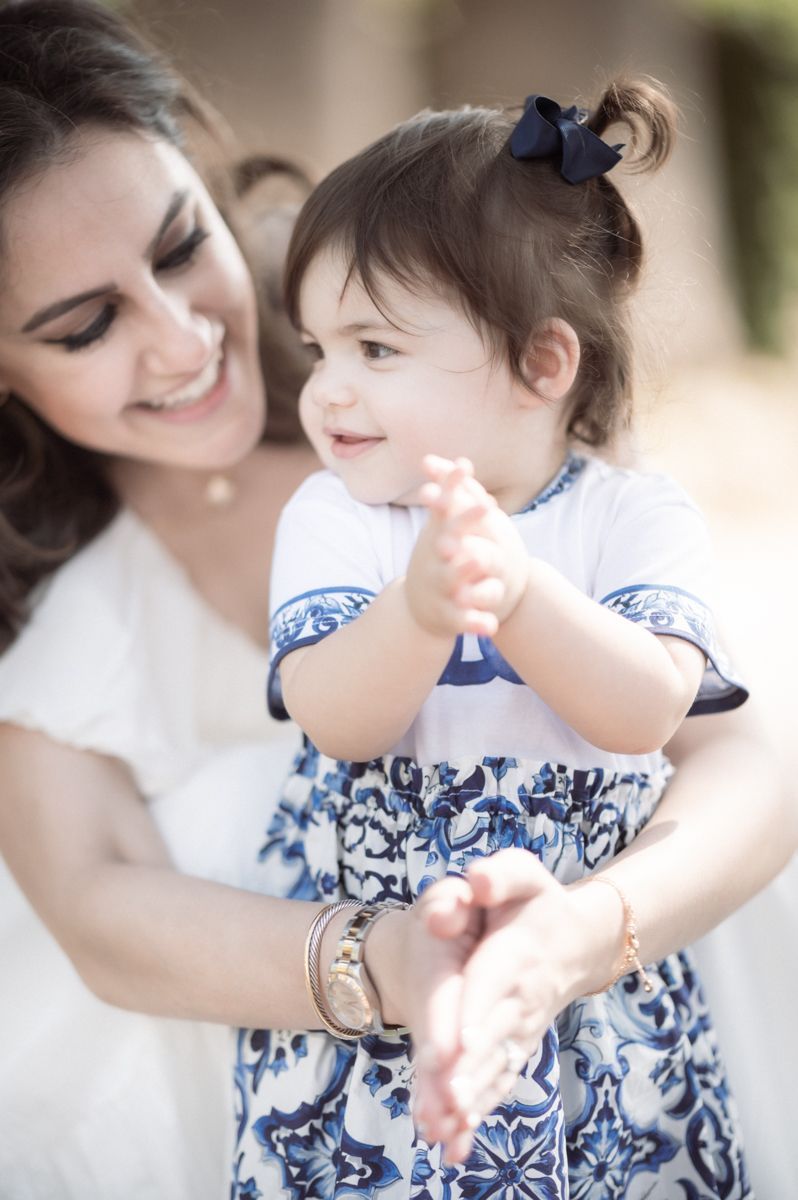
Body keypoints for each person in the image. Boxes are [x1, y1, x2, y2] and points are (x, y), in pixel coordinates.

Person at [0, 3, 791, 1197]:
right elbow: (101, 908)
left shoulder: (459, 343)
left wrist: (582, 933)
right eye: (86, 326)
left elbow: (725, 751)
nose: (179, 342)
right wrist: (394, 967)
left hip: (617, 964)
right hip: (294, 1066)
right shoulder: (91, 598)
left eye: (178, 248)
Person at [234, 82, 759, 1198]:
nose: (325, 391)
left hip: (587, 979)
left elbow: (649, 712)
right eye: (317, 347)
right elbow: (338, 716)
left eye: (374, 348)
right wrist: (421, 610)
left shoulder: (631, 516)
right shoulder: (344, 520)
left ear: (542, 364)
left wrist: (519, 593)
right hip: (391, 967)